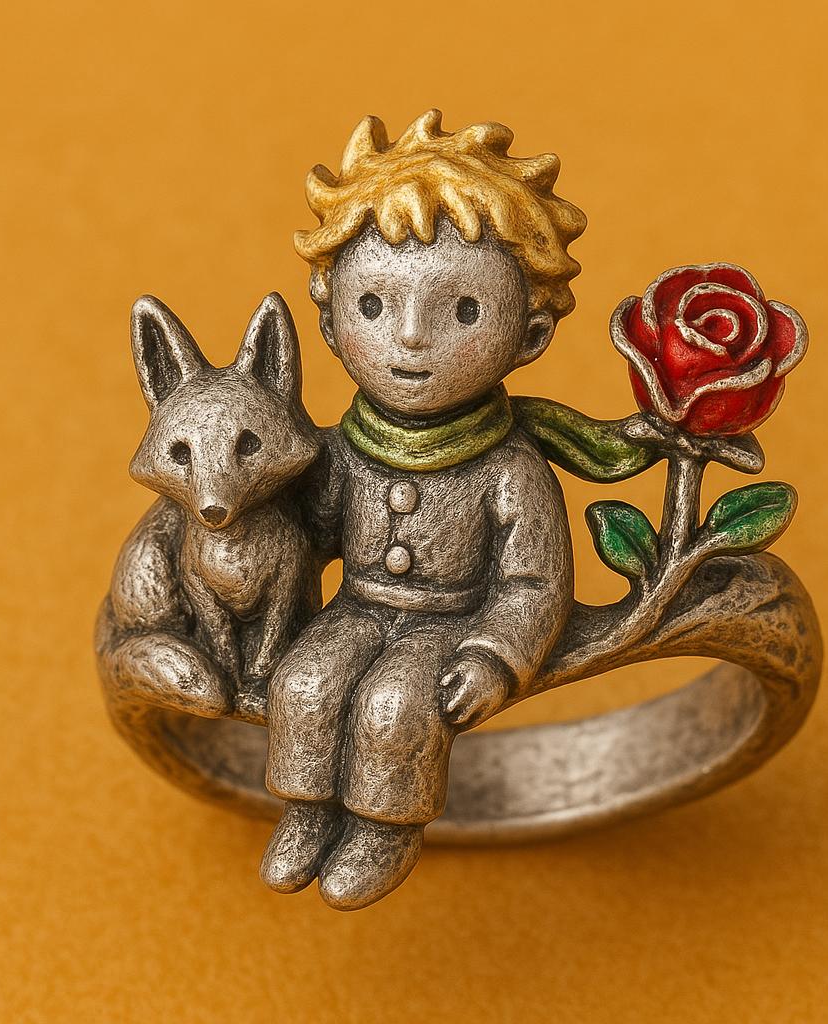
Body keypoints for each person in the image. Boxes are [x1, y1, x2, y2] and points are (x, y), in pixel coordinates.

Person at [261, 110, 587, 910]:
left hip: (448, 622)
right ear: (330, 319)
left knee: (397, 704)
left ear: (530, 335)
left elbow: (534, 584)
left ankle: (385, 826)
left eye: (464, 312)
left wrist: (495, 658)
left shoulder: (508, 467)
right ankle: (307, 809)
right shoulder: (343, 448)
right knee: (303, 680)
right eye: (374, 306)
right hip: (356, 609)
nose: (410, 339)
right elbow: (307, 533)